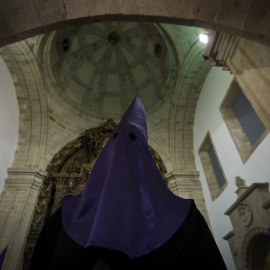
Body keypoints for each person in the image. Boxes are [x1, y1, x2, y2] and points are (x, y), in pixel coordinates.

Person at [30, 96, 227, 269]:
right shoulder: (63, 217)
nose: (123, 152)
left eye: (133, 140)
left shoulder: (184, 217)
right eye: (116, 141)